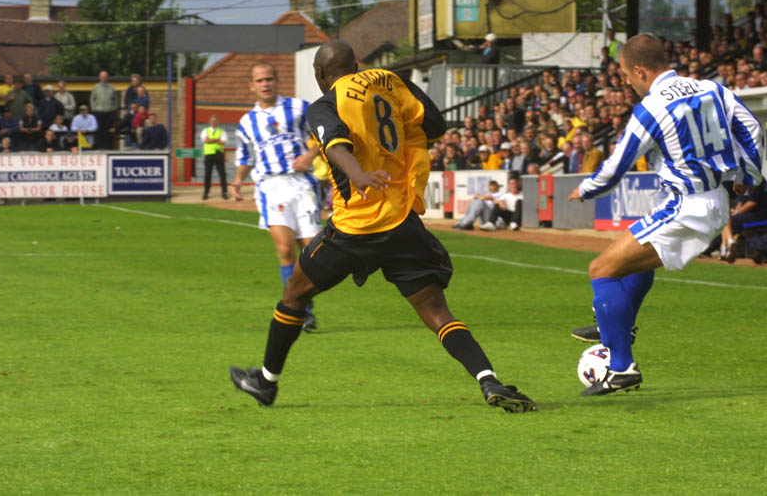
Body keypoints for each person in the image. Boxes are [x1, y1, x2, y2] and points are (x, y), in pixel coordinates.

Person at [228, 40, 536, 413]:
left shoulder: (326, 104)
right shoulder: (391, 80)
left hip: (354, 227)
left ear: (321, 74)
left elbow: (337, 144)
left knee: (294, 293)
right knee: (438, 313)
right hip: (402, 222)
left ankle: (266, 382)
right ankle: (489, 380)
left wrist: (358, 173)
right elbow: (434, 124)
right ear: (356, 64)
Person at [567, 34, 764, 396]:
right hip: (713, 199)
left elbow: (618, 165)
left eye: (627, 75)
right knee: (635, 262)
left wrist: (587, 189)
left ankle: (621, 365)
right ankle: (619, 329)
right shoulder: (712, 89)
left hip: (687, 206)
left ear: (640, 70)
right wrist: (747, 178)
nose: (626, 82)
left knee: (601, 270)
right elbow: (752, 128)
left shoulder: (652, 108)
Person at [229, 62, 322, 332]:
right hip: (271, 186)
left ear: (277, 80)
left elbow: (322, 134)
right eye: (259, 80)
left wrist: (310, 154)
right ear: (252, 86)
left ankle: (302, 300)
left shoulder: (298, 108)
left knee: (314, 252)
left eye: (269, 78)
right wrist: (237, 179)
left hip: (303, 185)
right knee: (284, 249)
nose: (265, 84)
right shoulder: (247, 122)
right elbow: (245, 157)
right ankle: (299, 310)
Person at [200, 115, 229, 200]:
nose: (214, 123)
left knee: (222, 174)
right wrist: (216, 139)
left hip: (219, 154)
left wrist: (211, 140)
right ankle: (206, 192)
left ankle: (224, 192)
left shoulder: (222, 131)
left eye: (215, 121)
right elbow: (205, 141)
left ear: (218, 122)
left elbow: (222, 142)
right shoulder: (205, 131)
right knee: (207, 174)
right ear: (209, 122)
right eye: (212, 121)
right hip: (208, 154)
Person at [90, 70, 118, 150]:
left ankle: (108, 147)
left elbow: (115, 100)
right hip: (98, 112)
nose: (104, 78)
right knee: (99, 130)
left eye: (105, 76)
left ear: (107, 77)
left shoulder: (112, 88)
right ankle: (99, 147)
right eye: (102, 76)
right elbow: (92, 99)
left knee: (108, 131)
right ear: (100, 77)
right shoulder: (96, 87)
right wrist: (94, 108)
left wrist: (113, 109)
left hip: (109, 112)